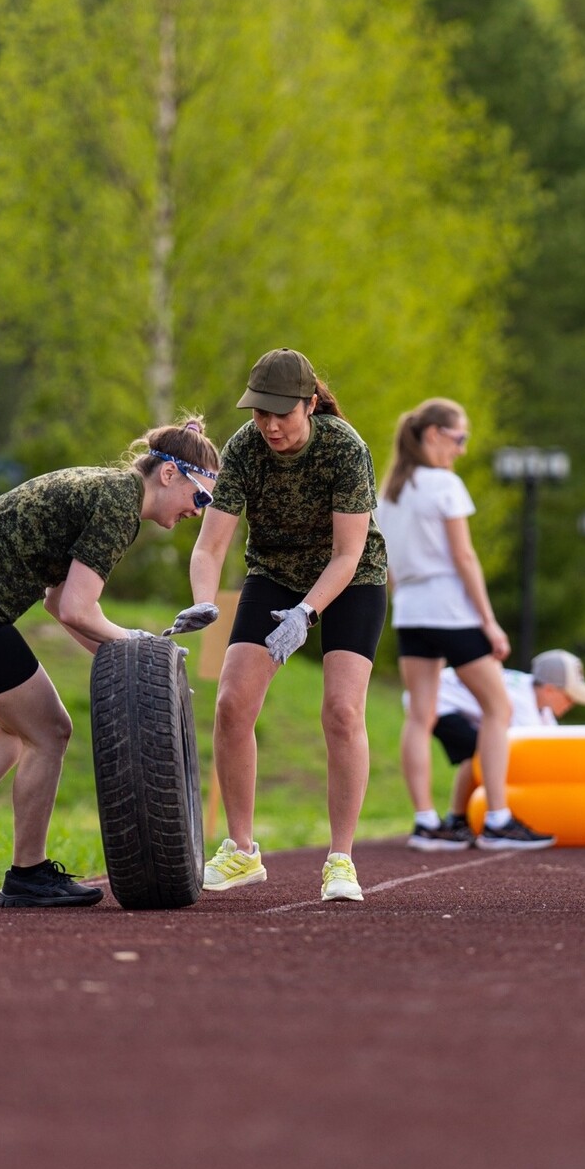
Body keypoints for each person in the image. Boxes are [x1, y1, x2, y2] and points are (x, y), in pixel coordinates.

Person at [0, 419, 221, 910]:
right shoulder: (119, 506)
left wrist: (134, 670)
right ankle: (27, 874)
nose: (198, 514)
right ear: (171, 476)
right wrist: (146, 653)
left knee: (17, 729)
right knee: (51, 731)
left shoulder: (108, 489)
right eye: (201, 499)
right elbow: (77, 610)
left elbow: (56, 602)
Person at [173, 349, 387, 902]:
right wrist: (204, 602)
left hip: (350, 579)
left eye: (281, 414)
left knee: (342, 710)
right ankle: (242, 850)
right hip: (273, 574)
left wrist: (306, 613)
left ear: (310, 405)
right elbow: (210, 545)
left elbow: (347, 554)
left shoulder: (345, 449)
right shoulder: (245, 449)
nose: (269, 425)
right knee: (231, 703)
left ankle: (340, 859)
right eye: (259, 413)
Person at [376, 397, 554, 851]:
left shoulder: (390, 492)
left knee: (420, 714)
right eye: (459, 438)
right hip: (451, 609)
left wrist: (405, 602)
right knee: (499, 709)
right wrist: (490, 622)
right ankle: (496, 818)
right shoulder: (444, 485)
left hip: (411, 609)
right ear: (434, 434)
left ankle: (425, 822)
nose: (462, 448)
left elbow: (387, 564)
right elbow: (465, 557)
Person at [406, 649, 585, 850]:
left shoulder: (535, 699)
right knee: (484, 754)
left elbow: (551, 741)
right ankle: (467, 819)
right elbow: (528, 753)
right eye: (569, 697)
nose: (572, 703)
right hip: (438, 700)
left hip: (441, 695)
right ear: (549, 690)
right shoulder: (521, 702)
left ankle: (458, 818)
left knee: (481, 752)